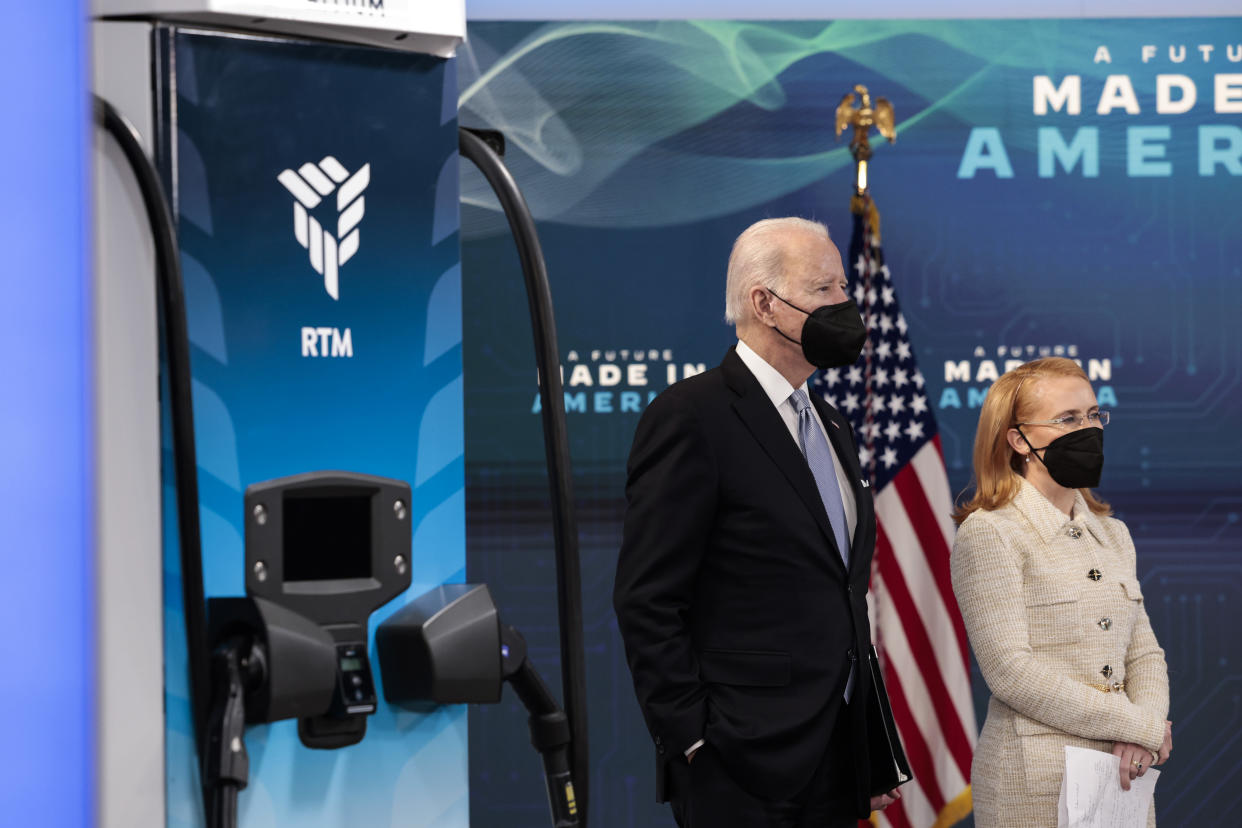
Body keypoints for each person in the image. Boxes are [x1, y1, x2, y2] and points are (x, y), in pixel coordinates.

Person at [613, 217, 900, 827]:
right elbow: (648, 598)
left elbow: (844, 593)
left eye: (844, 289)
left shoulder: (831, 423)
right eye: (826, 290)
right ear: (764, 303)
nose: (846, 305)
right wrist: (693, 739)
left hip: (834, 759)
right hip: (736, 764)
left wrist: (866, 744)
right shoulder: (692, 416)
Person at [951, 357, 1173, 827]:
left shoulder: (1114, 534)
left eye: (1094, 415)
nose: (1088, 429)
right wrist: (1138, 725)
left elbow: (1145, 653)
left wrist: (1143, 734)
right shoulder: (990, 533)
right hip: (1033, 789)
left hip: (1125, 779)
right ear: (1019, 439)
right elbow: (1011, 672)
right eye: (1068, 419)